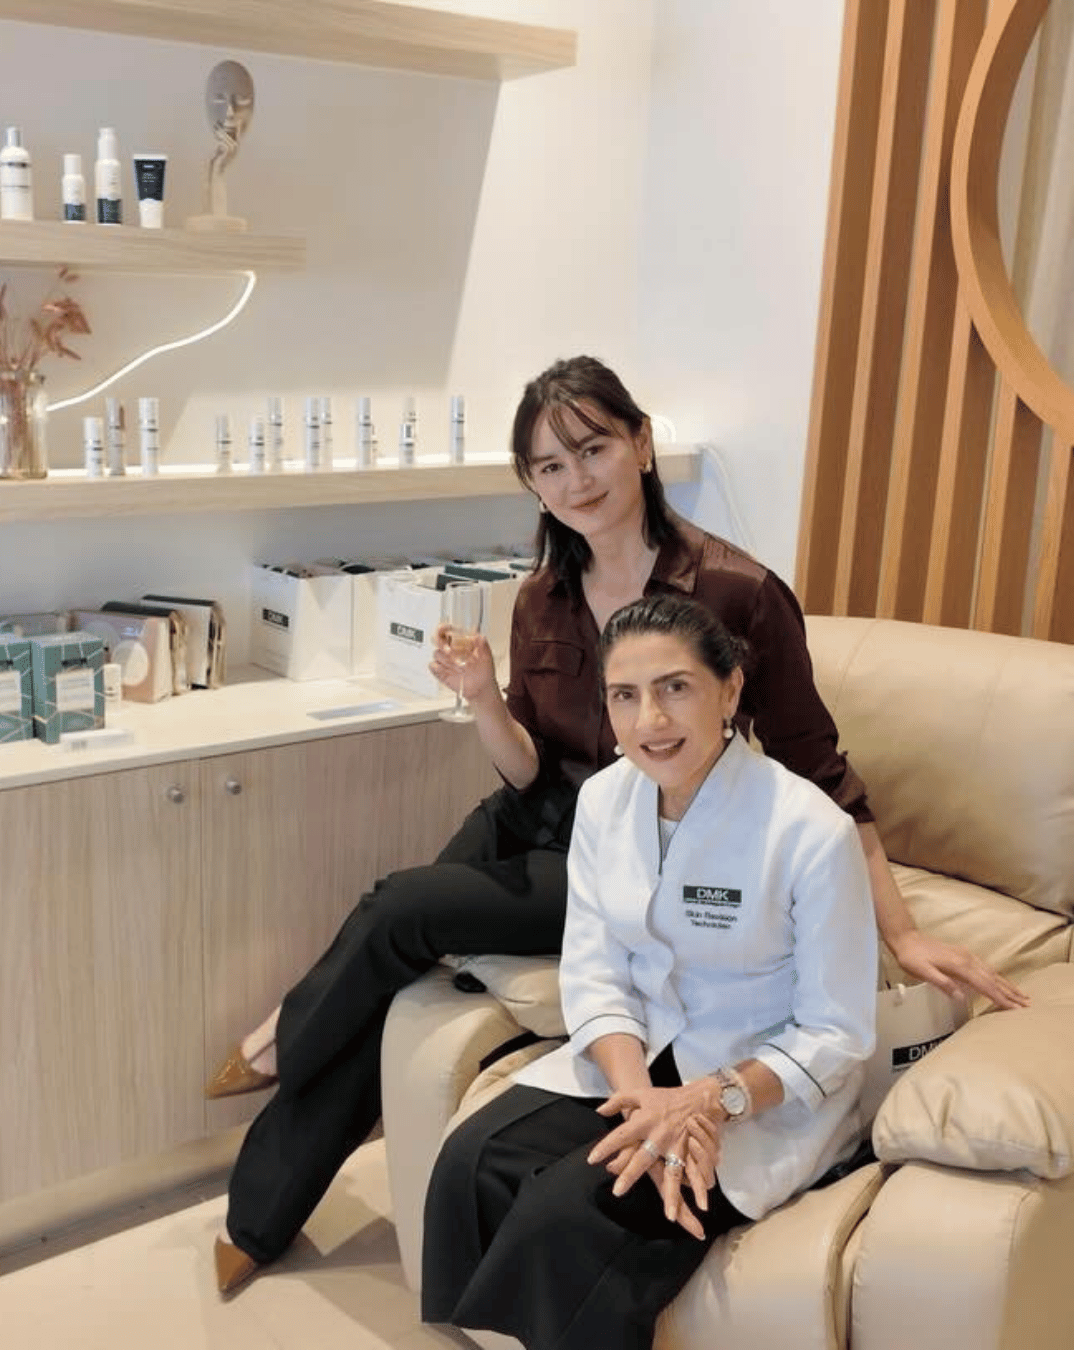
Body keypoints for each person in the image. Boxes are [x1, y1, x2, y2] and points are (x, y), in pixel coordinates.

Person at [210, 355, 1023, 1296]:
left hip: (632, 843)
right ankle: (274, 1163)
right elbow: (526, 766)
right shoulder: (540, 595)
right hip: (542, 815)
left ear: (641, 444)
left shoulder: (738, 590)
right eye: (550, 467)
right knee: (393, 944)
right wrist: (483, 699)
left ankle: (277, 1097)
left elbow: (819, 769)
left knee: (399, 912)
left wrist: (901, 930)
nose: (577, 481)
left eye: (593, 449)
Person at [422, 594, 879, 1350]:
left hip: (758, 1085)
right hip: (643, 1054)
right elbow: (595, 968)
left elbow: (838, 1031)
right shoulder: (605, 801)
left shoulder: (809, 831)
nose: (650, 721)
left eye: (676, 688)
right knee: (475, 1157)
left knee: (580, 1207)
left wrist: (707, 1102)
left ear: (729, 691)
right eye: (625, 696)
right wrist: (639, 1100)